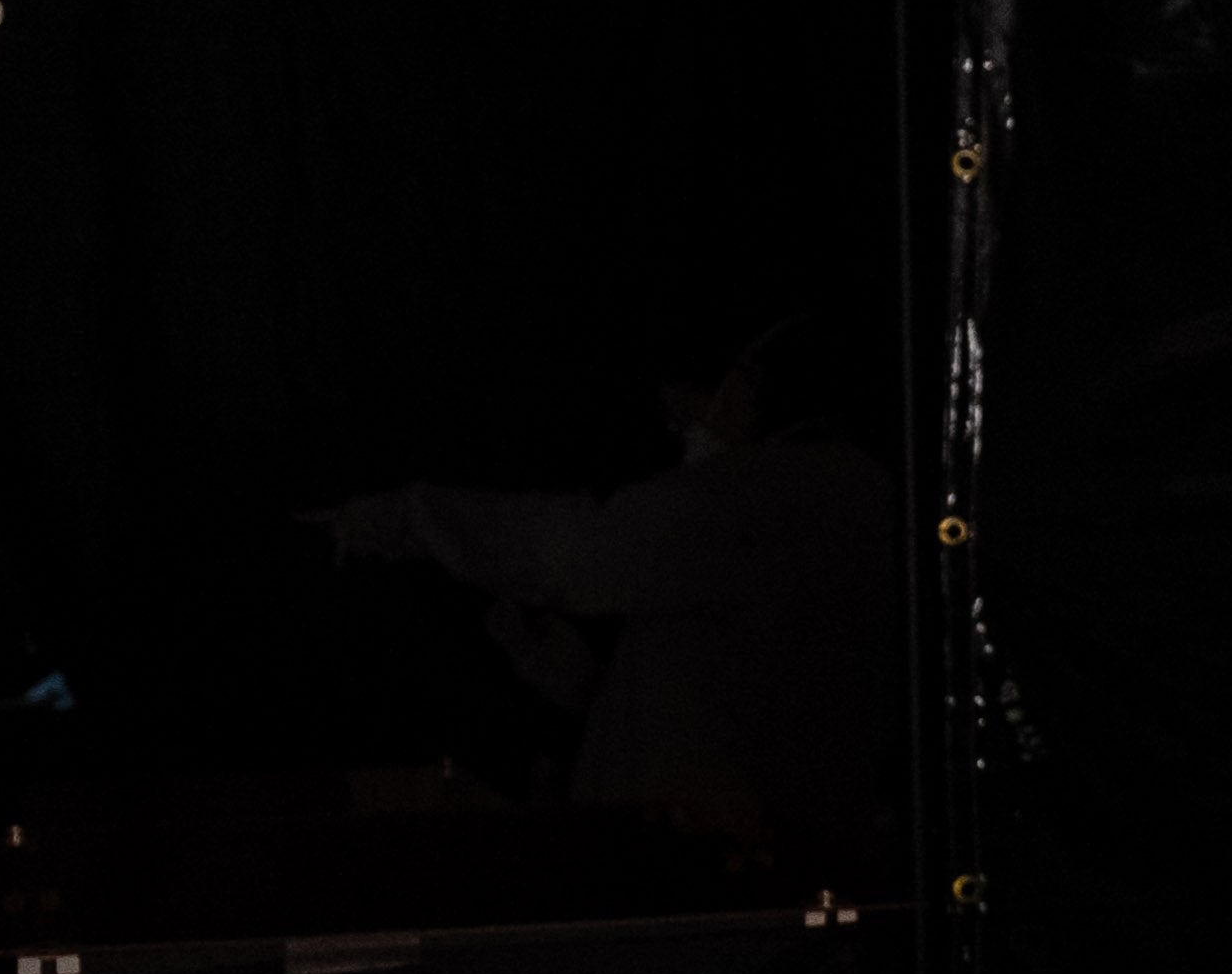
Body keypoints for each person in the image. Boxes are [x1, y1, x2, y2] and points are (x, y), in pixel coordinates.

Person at [323, 312, 903, 890]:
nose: (686, 437)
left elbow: (570, 554)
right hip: (781, 845)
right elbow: (726, 679)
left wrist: (405, 518)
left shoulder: (758, 494)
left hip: (707, 862)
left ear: (740, 390)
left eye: (685, 419)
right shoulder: (859, 495)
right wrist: (564, 669)